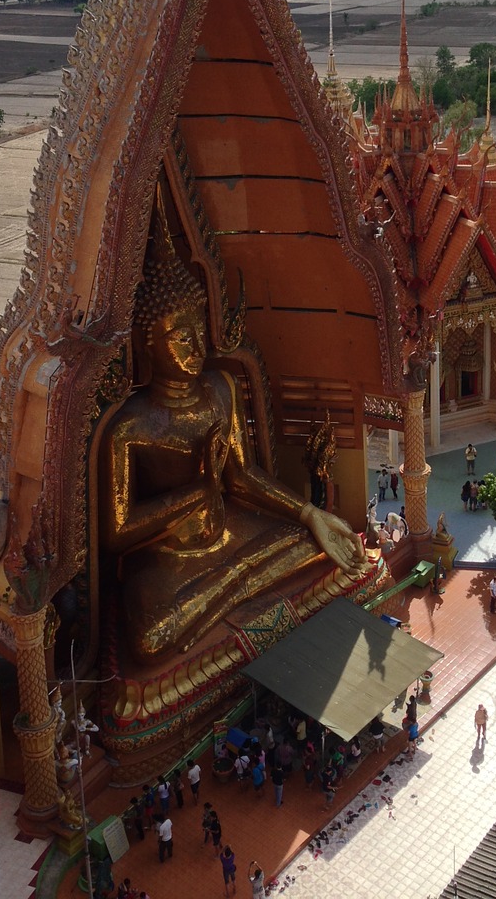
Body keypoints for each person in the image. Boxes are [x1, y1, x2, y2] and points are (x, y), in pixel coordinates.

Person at [99, 208, 367, 661]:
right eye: (179, 337)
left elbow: (241, 477)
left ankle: (236, 581)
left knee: (311, 544)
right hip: (167, 558)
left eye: (199, 330)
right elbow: (118, 532)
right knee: (149, 637)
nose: (196, 345)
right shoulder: (130, 424)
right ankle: (237, 583)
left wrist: (308, 514)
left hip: (230, 533)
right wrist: (198, 490)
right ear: (147, 344)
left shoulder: (219, 389)